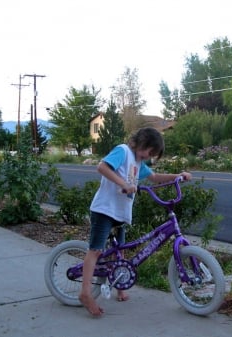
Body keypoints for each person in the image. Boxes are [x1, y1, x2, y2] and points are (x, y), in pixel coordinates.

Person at [79, 127, 192, 316]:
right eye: (150, 152)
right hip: (105, 209)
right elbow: (102, 167)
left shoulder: (139, 163)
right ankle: (85, 293)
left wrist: (177, 176)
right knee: (96, 250)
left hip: (120, 212)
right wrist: (123, 184)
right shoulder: (123, 151)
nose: (149, 156)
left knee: (119, 250)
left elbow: (154, 177)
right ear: (142, 143)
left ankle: (119, 286)